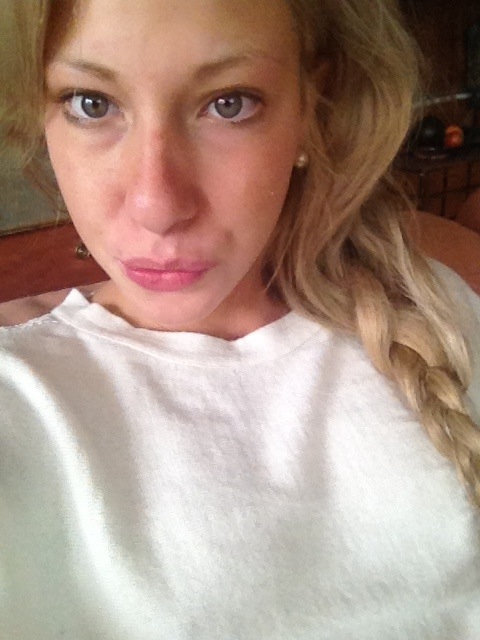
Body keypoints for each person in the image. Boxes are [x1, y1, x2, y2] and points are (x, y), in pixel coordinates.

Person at [0, 0, 479, 638]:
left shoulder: (432, 311)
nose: (157, 205)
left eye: (228, 104)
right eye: (92, 104)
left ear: (312, 109)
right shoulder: (21, 396)